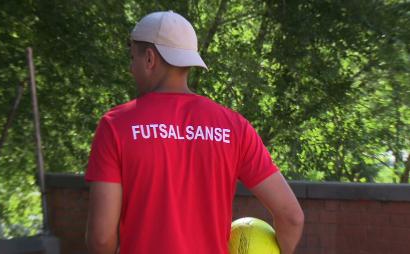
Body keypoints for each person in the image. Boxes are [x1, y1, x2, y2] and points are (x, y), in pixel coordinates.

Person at [85, 11, 304, 254]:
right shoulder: (234, 127)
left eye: (132, 58)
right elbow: (292, 217)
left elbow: (102, 238)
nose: (130, 68)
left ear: (149, 58)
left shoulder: (116, 126)